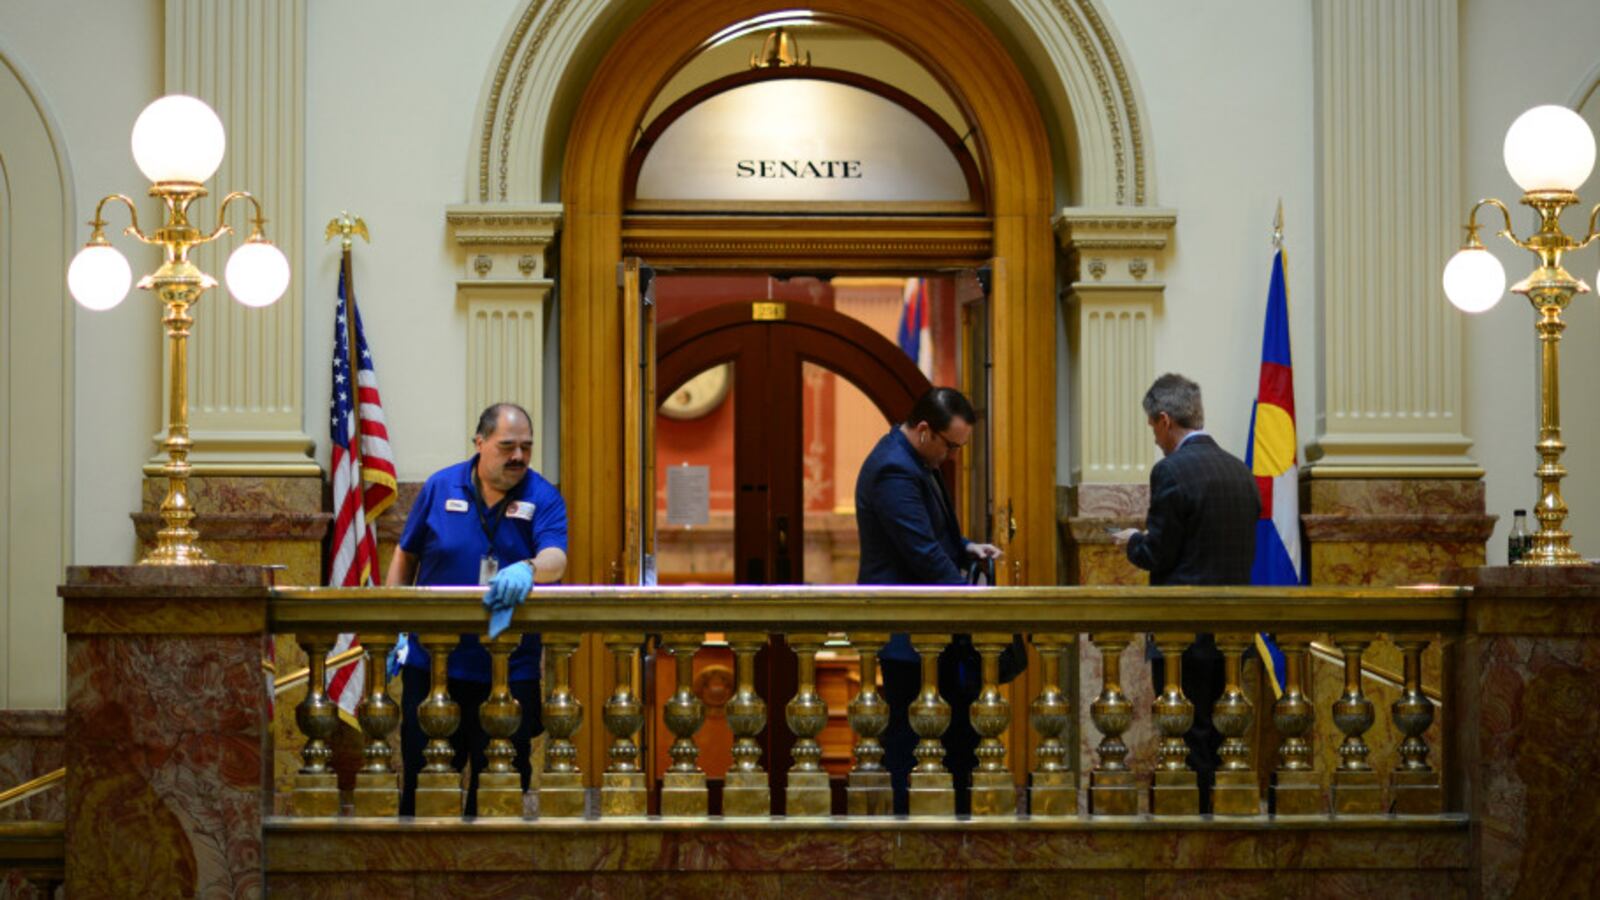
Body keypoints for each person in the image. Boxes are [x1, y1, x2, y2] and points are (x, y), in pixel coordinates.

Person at [387, 402, 568, 816]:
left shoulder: (542, 496)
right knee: (426, 791)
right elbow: (405, 553)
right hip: (433, 666)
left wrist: (528, 568)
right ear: (480, 443)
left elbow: (556, 558)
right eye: (507, 446)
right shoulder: (440, 487)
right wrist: (393, 617)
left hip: (508, 671)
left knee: (498, 798)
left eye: (526, 447)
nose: (518, 456)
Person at [1113, 373, 1258, 812]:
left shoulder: (1171, 470)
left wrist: (1131, 541)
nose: (1155, 440)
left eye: (1152, 428)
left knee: (1186, 738)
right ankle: (1225, 821)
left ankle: (1194, 827)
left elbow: (1159, 553)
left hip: (1183, 636)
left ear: (1163, 420)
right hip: (1233, 634)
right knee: (1224, 735)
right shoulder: (1239, 470)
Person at [855, 387, 1002, 815]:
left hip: (927, 628)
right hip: (907, 632)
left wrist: (966, 548)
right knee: (912, 739)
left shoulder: (917, 458)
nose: (953, 455)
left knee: (947, 736)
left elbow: (934, 533)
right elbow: (920, 552)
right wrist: (976, 602)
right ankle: (913, 829)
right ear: (924, 431)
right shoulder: (893, 469)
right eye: (951, 445)